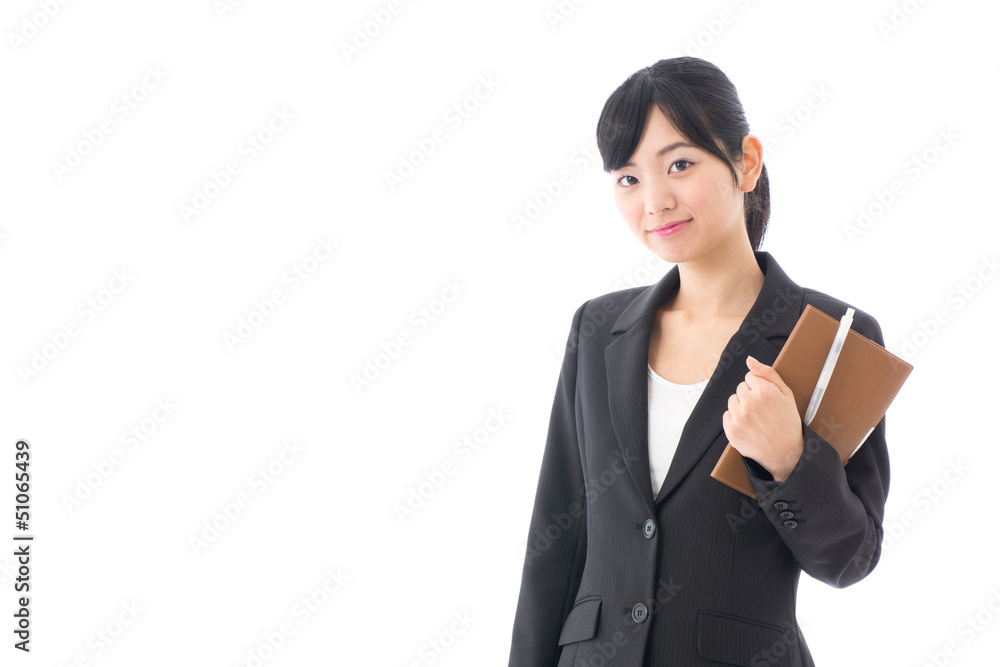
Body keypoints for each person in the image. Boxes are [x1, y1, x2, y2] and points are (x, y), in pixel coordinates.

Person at [507, 57, 890, 667]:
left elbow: (849, 558)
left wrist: (790, 461)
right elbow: (555, 539)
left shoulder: (831, 338)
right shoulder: (598, 330)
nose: (654, 201)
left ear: (746, 162)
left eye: (679, 164)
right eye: (627, 178)